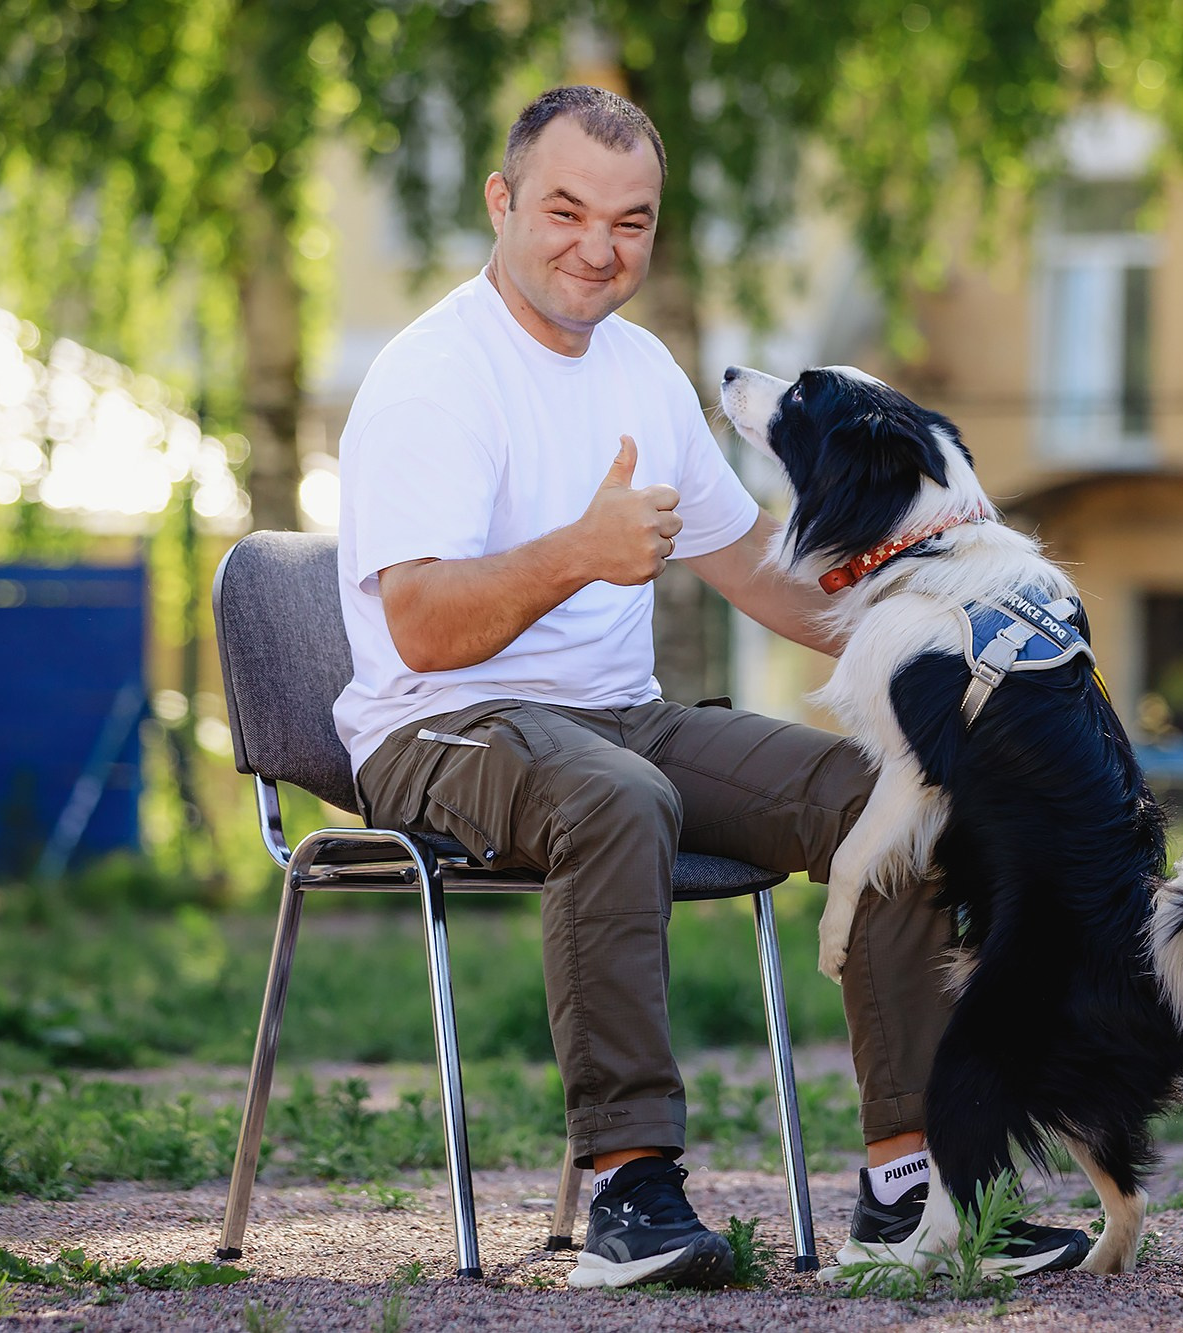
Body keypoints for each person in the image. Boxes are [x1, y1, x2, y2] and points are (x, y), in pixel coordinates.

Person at [334, 84, 1090, 1291]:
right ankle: (631, 1188)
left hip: (618, 721)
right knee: (615, 796)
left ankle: (913, 1189)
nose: (598, 247)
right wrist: (578, 551)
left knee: (886, 790)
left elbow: (764, 577)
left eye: (629, 223)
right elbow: (419, 629)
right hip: (440, 726)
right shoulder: (431, 376)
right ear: (502, 201)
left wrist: (961, 632)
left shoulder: (641, 370)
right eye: (566, 210)